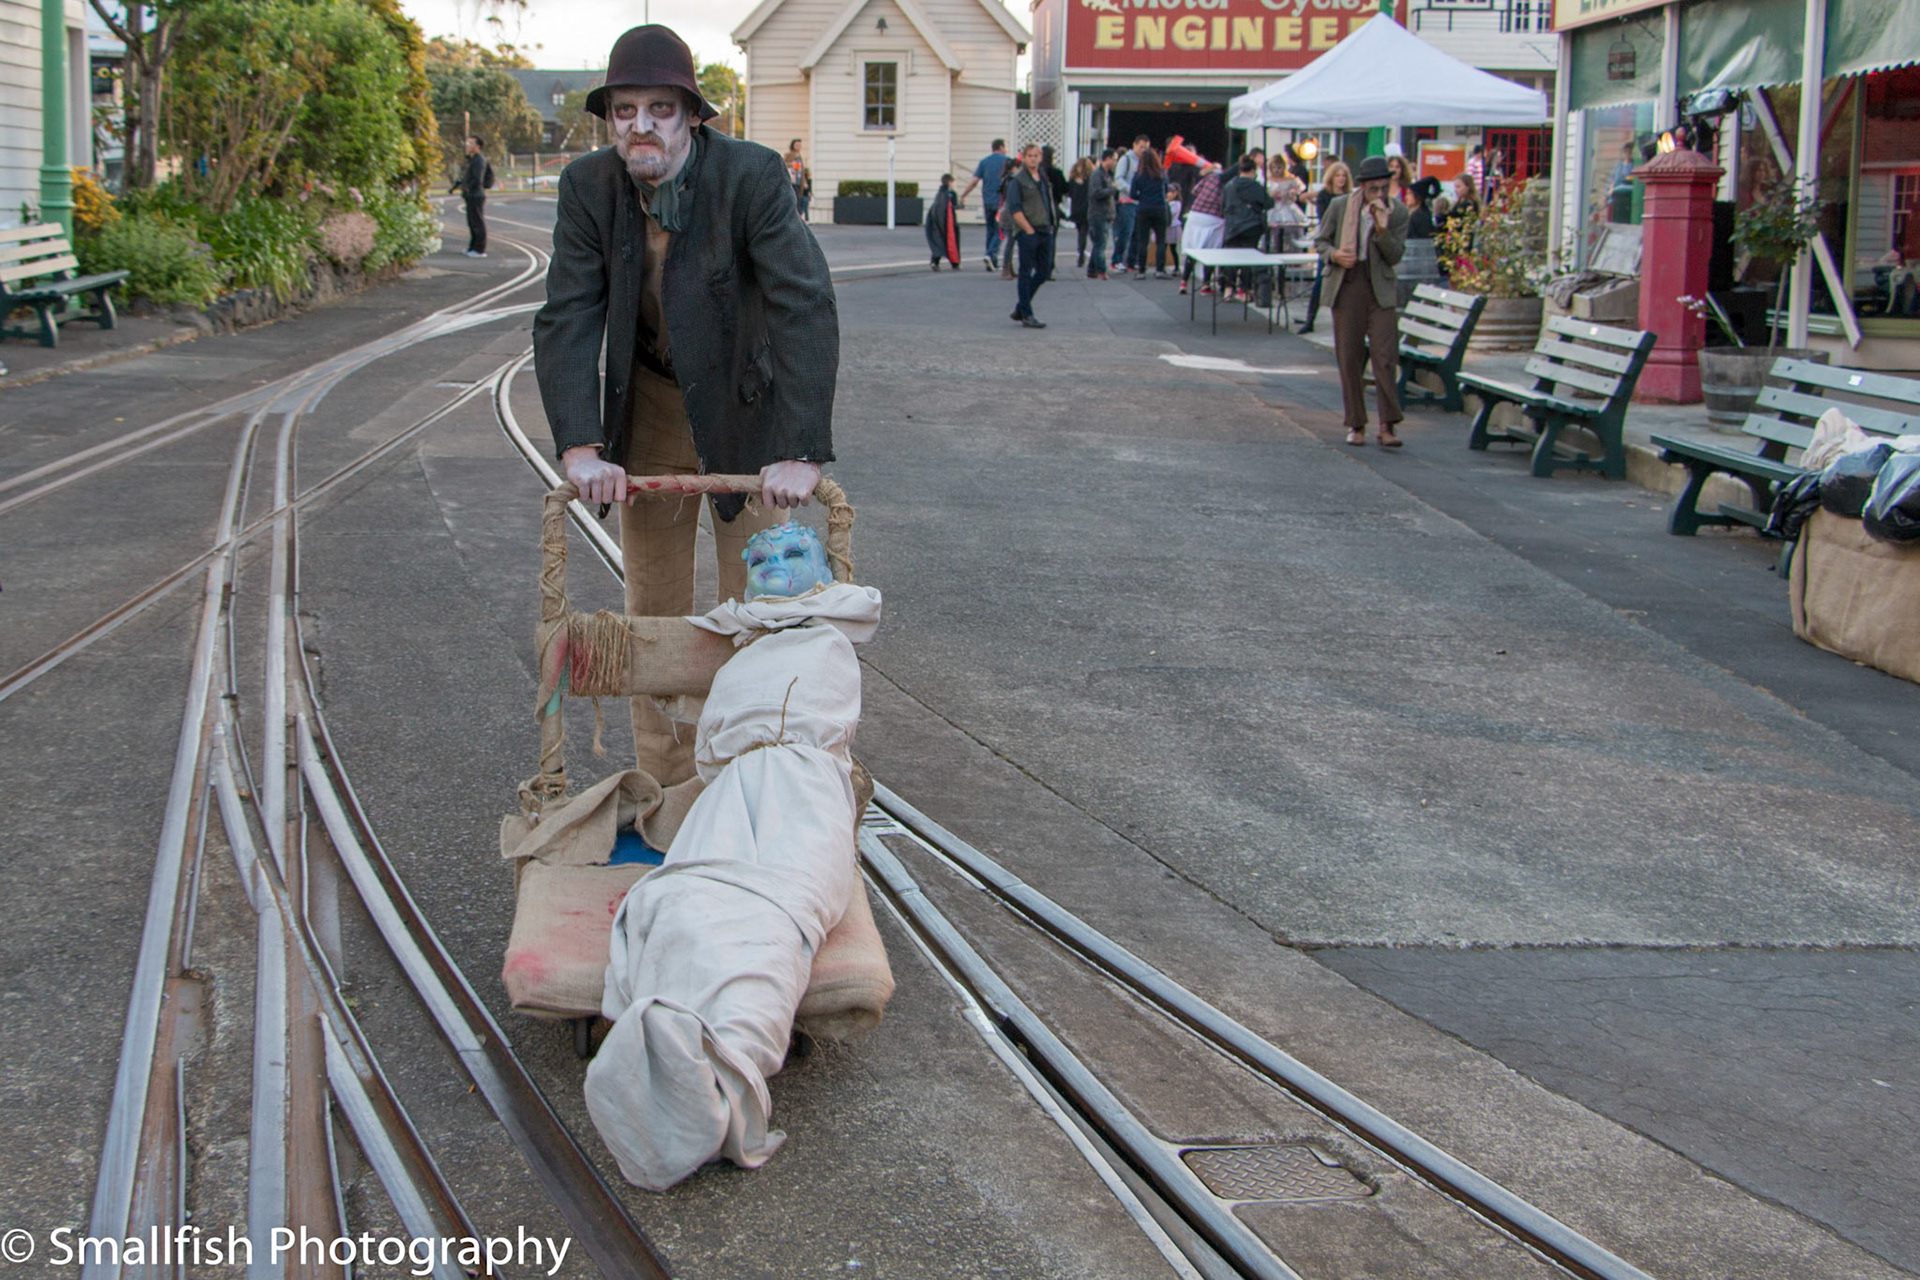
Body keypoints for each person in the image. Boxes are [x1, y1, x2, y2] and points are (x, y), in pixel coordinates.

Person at [532, 23, 837, 785]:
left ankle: (753, 776)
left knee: (764, 605)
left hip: (746, 406)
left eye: (661, 108)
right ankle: (667, 785)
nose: (641, 125)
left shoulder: (752, 176)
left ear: (692, 115)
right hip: (650, 405)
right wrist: (581, 446)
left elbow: (803, 303)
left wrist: (800, 449)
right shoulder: (588, 186)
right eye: (625, 109)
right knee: (655, 612)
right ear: (610, 119)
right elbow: (568, 313)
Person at [586, 522, 884, 1191]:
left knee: (769, 914)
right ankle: (668, 1030)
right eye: (761, 558)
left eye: (795, 554)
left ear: (825, 572)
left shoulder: (832, 624)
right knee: (683, 897)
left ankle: (721, 1063)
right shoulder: (742, 639)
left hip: (803, 793)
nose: (775, 564)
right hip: (730, 791)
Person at [1314, 154, 1409, 449]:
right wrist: (1334, 255)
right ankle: (1356, 424)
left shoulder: (1398, 212)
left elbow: (1395, 255)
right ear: (1363, 186)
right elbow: (1321, 241)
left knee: (1385, 356)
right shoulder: (1341, 206)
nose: (1379, 195)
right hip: (1348, 283)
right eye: (1373, 189)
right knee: (1350, 356)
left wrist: (1382, 231)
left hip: (1379, 286)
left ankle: (1387, 424)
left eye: (1384, 188)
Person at [1296, 160, 1349, 334]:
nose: (1341, 179)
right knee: (1320, 282)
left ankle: (1342, 324)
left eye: (1343, 176)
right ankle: (1310, 320)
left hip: (1345, 242)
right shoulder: (1325, 195)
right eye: (1338, 175)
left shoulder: (1350, 196)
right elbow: (1325, 218)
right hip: (1329, 242)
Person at [1008, 142, 1055, 327]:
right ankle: (1027, 314)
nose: (1033, 159)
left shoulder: (1042, 176)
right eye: (1030, 156)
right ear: (1024, 157)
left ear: (1040, 157)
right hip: (1028, 230)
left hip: (1045, 229)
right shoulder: (1017, 180)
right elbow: (1014, 208)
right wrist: (1028, 229)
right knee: (1025, 272)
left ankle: (1021, 307)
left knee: (1044, 271)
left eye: (1036, 156)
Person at [1220, 154, 1273, 299]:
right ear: (1253, 170)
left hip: (1232, 226)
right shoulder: (1255, 186)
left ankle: (1228, 289)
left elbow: (1223, 206)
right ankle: (1243, 290)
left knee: (1231, 258)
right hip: (1251, 225)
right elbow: (1268, 203)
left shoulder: (1229, 185)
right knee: (1248, 258)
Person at [961, 139, 1013, 269]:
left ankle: (992, 262)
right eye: (1006, 146)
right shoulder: (1008, 162)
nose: (1007, 149)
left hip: (987, 201)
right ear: (1001, 147)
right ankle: (990, 254)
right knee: (1001, 230)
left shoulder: (984, 162)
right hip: (1001, 201)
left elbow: (974, 181)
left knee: (990, 231)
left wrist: (963, 194)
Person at [1180, 160, 1225, 295]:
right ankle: (1206, 285)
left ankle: (1184, 282)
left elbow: (1195, 191)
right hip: (1214, 217)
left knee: (1193, 250)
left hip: (1196, 214)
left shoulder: (1208, 177)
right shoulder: (1226, 183)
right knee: (1210, 251)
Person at [1129, 147, 1171, 278]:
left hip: (1144, 208)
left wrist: (1142, 197)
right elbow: (1166, 189)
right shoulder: (1162, 173)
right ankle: (1160, 270)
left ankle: (1141, 270)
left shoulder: (1138, 175)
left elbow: (1132, 194)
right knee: (1161, 240)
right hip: (1160, 208)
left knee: (1143, 241)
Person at [1111, 135, 1148, 274]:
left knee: (1137, 234)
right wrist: (1131, 190)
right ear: (1135, 145)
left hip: (1139, 202)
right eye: (1141, 147)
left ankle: (1132, 262)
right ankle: (1117, 260)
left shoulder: (1144, 161)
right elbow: (1118, 179)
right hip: (1127, 202)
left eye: (1146, 148)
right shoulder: (1126, 159)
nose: (1143, 150)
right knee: (1125, 232)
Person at [452, 134, 490, 257]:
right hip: (471, 195)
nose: (467, 145)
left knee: (477, 222)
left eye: (471, 143)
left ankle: (479, 249)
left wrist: (468, 188)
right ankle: (472, 247)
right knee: (472, 222)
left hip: (476, 195)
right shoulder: (472, 159)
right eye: (468, 143)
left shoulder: (479, 160)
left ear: (478, 146)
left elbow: (478, 179)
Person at [1086, 148, 1118, 279]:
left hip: (1104, 213)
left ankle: (1092, 269)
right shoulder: (1097, 175)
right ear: (1107, 159)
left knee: (1098, 243)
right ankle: (1101, 270)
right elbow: (1095, 193)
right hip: (1098, 213)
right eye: (1114, 159)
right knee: (1100, 244)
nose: (1115, 162)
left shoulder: (1107, 174)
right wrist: (1112, 190)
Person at [925, 173, 961, 268]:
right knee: (951, 241)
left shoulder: (939, 193)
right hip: (949, 222)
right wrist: (961, 205)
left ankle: (935, 261)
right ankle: (955, 263)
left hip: (938, 221)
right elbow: (953, 206)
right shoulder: (951, 194)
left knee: (939, 241)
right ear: (949, 182)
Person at [1066, 156, 1093, 268]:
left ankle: (1080, 252)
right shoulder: (1090, 180)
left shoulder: (1073, 181)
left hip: (1076, 209)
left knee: (1080, 231)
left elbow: (1069, 194)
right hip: (1087, 209)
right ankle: (1081, 253)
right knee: (1084, 232)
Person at [783, 138, 811, 220]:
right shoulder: (789, 155)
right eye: (797, 145)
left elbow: (802, 171)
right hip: (792, 180)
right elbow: (784, 164)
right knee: (794, 199)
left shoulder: (799, 156)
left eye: (799, 145)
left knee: (800, 199)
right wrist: (791, 164)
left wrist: (804, 182)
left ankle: (798, 216)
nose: (798, 147)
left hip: (799, 181)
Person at [1408, 175, 1441, 239]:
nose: (1406, 197)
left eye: (1409, 193)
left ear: (1417, 197)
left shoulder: (1419, 215)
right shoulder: (1415, 213)